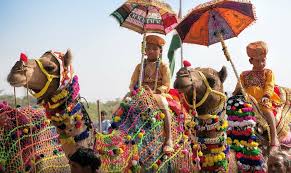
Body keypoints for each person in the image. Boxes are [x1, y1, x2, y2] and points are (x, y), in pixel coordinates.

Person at [233, 41, 281, 153]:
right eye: (258, 61)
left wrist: (266, 96)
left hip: (263, 99)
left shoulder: (268, 72)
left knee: (267, 110)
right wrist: (238, 90)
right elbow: (238, 89)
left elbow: (270, 85)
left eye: (263, 60)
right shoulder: (244, 74)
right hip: (247, 100)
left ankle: (274, 138)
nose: (261, 63)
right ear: (251, 61)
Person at [129, 35, 173, 153]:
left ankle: (169, 139)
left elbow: (167, 85)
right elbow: (133, 82)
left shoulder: (164, 66)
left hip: (157, 93)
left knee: (163, 103)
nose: (151, 51)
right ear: (144, 51)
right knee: (124, 102)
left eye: (154, 49)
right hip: (140, 93)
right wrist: (134, 90)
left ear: (160, 51)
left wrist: (155, 91)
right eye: (148, 48)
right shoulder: (139, 66)